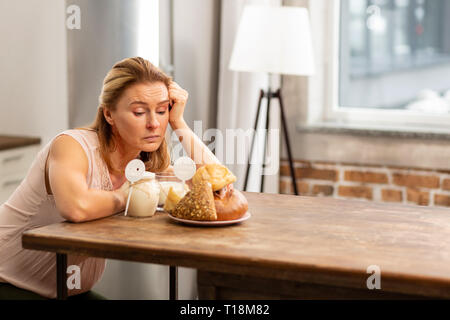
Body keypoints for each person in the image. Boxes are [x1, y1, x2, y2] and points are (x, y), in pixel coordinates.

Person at [0, 57, 220, 299]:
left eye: (162, 110)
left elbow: (218, 186)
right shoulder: (71, 146)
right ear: (109, 115)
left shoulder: (147, 161)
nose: (154, 123)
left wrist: (179, 123)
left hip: (70, 292)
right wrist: (125, 195)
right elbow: (77, 208)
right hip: (9, 282)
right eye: (139, 112)